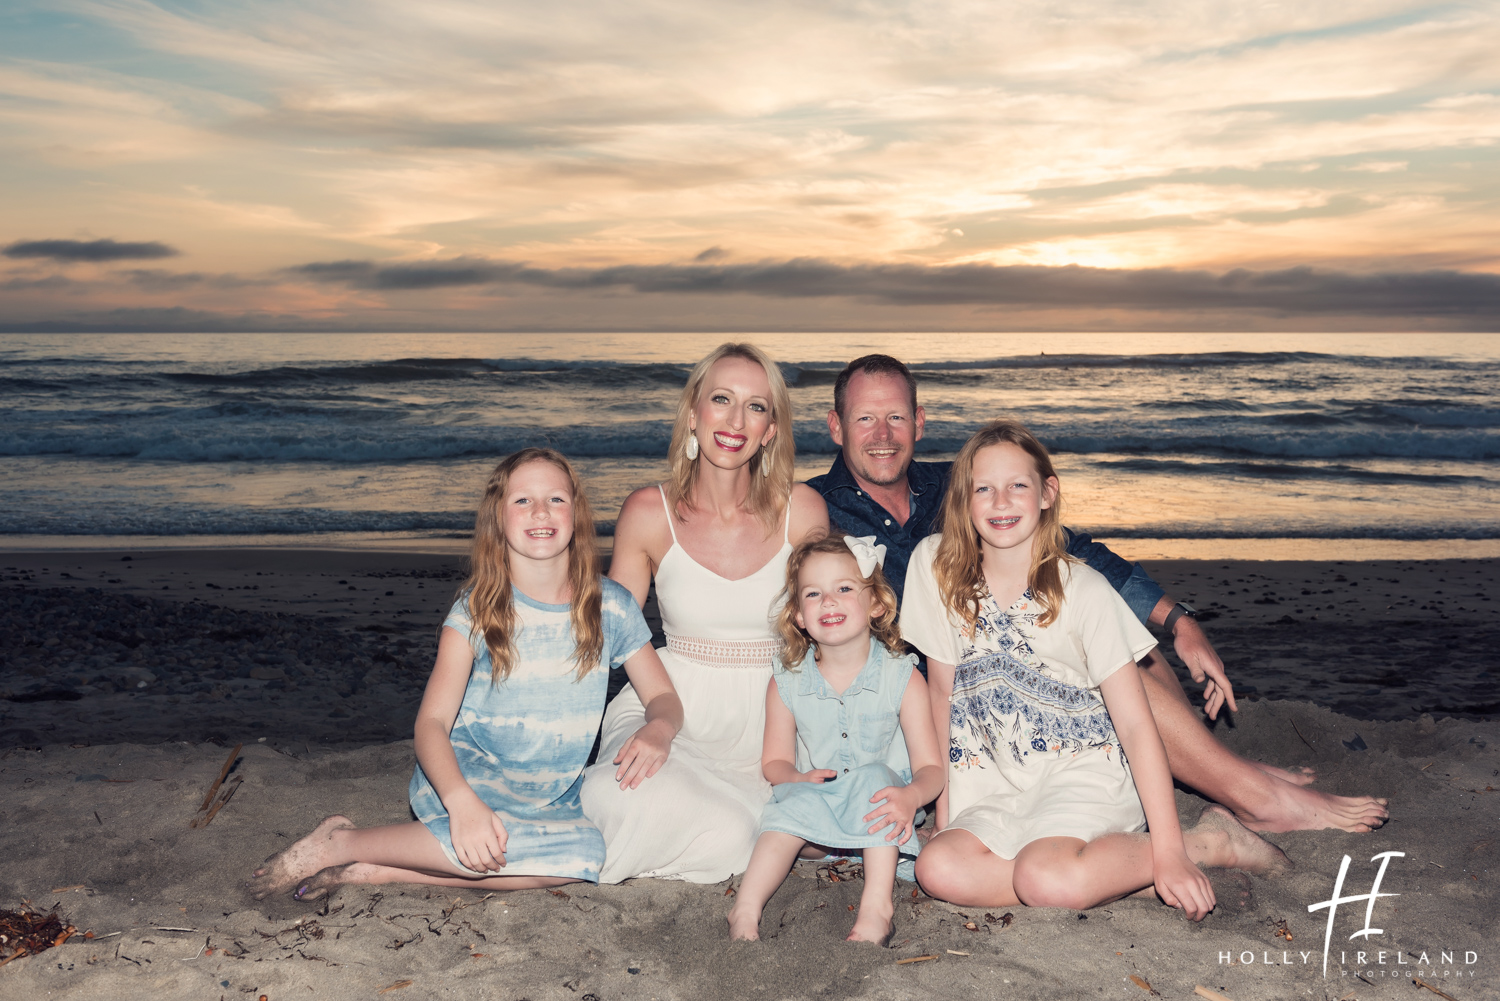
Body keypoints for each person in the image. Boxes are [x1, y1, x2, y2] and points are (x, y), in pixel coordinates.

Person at [809, 354, 1388, 834]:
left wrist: (1180, 622)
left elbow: (1075, 549)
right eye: (865, 420)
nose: (882, 436)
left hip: (1012, 658)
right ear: (835, 427)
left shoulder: (956, 487)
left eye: (896, 418)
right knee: (1115, 672)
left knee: (1136, 648)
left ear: (920, 421)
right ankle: (1251, 793)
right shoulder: (814, 509)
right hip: (935, 690)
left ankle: (1224, 772)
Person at [247, 448, 682, 900]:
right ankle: (342, 842)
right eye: (522, 501)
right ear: (498, 517)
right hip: (469, 773)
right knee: (487, 838)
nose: (540, 512)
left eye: (556, 499)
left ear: (577, 513)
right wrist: (461, 803)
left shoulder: (609, 605)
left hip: (549, 792)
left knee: (585, 857)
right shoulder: (477, 610)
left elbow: (662, 696)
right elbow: (431, 724)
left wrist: (660, 728)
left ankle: (379, 870)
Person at [905, 420, 1289, 914]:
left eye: (1018, 485)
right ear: (963, 499)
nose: (1001, 502)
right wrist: (946, 813)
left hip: (1084, 772)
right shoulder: (935, 566)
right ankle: (1112, 877)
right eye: (984, 488)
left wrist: (1168, 847)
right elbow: (941, 696)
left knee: (1043, 878)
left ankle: (1205, 845)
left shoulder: (1083, 589)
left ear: (1047, 493)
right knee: (937, 869)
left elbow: (1134, 723)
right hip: (995, 779)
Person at [580, 343, 830, 883]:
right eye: (721, 399)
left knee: (763, 825)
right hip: (670, 704)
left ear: (770, 431)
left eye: (756, 406)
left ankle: (747, 826)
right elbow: (611, 637)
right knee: (614, 794)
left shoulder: (802, 509)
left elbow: (833, 631)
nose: (736, 420)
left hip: (775, 718)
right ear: (694, 413)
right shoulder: (649, 511)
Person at [727, 534, 945, 943]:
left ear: (876, 603)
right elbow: (775, 762)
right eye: (814, 594)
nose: (828, 601)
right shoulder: (787, 681)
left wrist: (912, 797)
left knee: (877, 777)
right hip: (818, 824)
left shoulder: (903, 677)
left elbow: (931, 769)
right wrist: (796, 778)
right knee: (787, 809)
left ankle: (876, 908)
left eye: (844, 589)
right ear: (798, 616)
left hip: (882, 819)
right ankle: (745, 909)